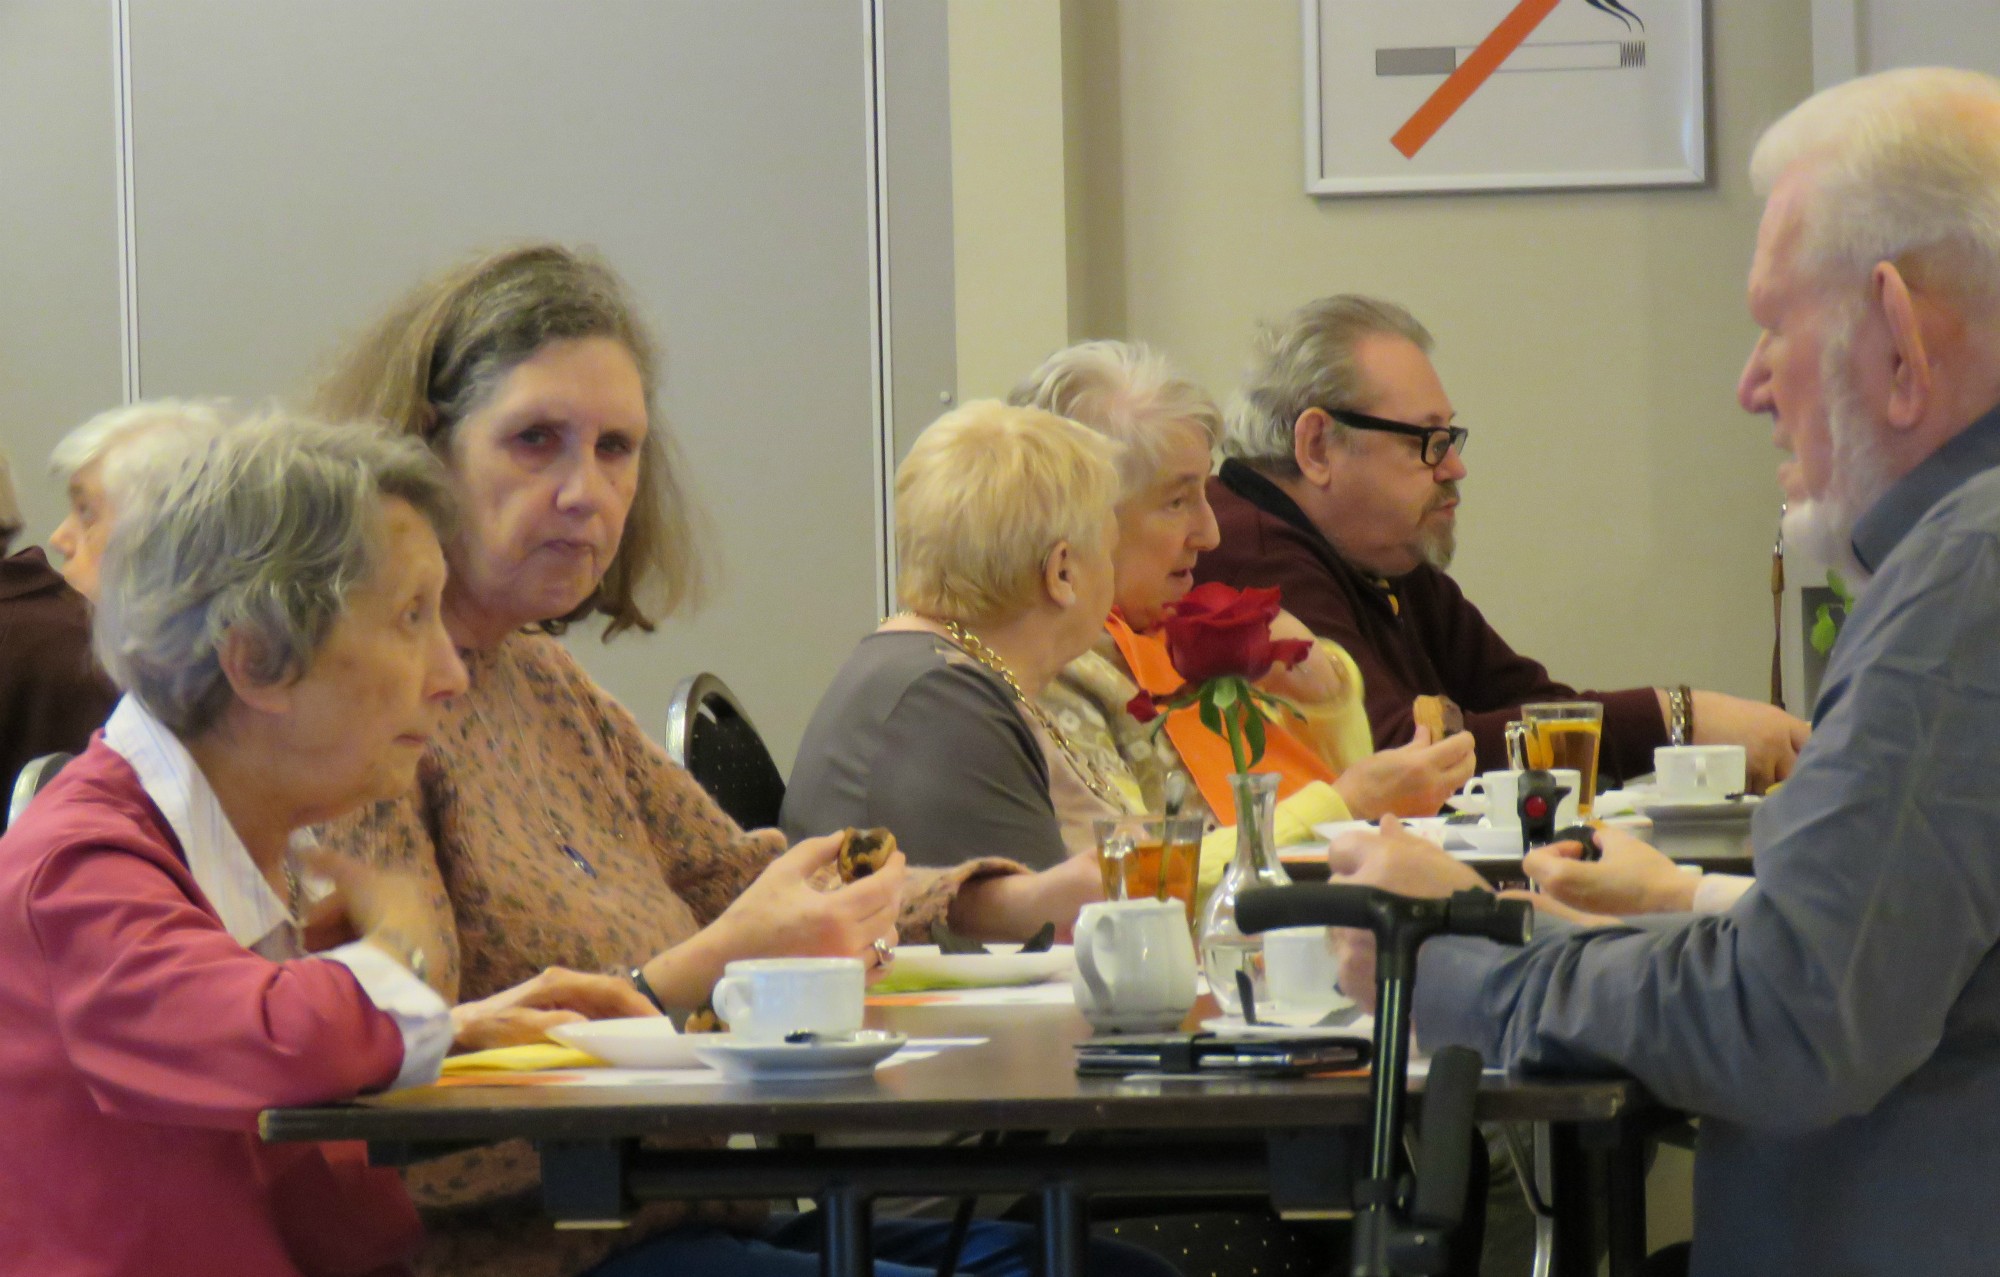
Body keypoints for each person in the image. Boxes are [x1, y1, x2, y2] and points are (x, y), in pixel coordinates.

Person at [313, 246, 1166, 1277]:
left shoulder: (542, 679)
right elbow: (407, 1107)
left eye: (617, 447)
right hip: (532, 1253)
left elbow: (742, 873)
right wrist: (701, 968)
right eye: (536, 439)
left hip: (688, 1212)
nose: (586, 492)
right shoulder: (358, 715)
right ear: (423, 455)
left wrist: (998, 896)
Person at [1326, 67, 2000, 1275]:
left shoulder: (1965, 583)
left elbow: (1791, 1013)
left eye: (1772, 324)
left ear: (1896, 336)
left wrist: (1452, 966)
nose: (1750, 384)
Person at [0, 411, 653, 1277]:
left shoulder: (213, 848)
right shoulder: (75, 869)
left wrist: (441, 1034)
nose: (451, 674)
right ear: (256, 659)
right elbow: (268, 1042)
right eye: (411, 616)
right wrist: (397, 955)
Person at [1194, 295, 1811, 789]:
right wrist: (1681, 719)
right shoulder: (1247, 549)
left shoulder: (1382, 558)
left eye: (1450, 440)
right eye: (1427, 442)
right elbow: (1395, 760)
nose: (1453, 468)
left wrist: (1681, 725)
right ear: (1317, 447)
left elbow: (1533, 706)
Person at [1008, 340, 1476, 859]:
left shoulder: (1183, 636)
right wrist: (1347, 806)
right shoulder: (1049, 670)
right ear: (1083, 517)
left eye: (1204, 495)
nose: (1209, 534)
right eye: (1177, 501)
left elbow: (1333, 798)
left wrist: (1327, 701)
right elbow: (1130, 877)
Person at [784, 399, 1114, 932]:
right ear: (1063, 573)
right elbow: (1053, 942)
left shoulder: (942, 673)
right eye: (1110, 549)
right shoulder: (943, 710)